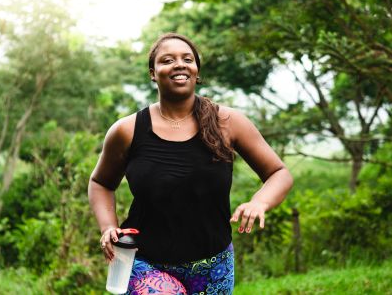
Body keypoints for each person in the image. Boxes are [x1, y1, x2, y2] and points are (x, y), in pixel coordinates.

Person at [88, 33, 293, 294]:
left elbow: (279, 173)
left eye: (187, 59)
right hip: (144, 260)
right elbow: (101, 182)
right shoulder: (127, 131)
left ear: (196, 71)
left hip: (214, 264)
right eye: (167, 60)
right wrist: (108, 227)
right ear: (153, 73)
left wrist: (259, 202)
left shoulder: (228, 123)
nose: (179, 64)